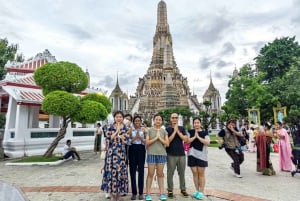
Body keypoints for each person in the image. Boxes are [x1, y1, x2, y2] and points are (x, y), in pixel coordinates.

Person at [101, 111, 129, 201]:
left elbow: (127, 141)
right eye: (117, 117)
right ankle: (112, 194)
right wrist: (117, 131)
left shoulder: (125, 127)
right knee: (111, 173)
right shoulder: (110, 127)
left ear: (123, 118)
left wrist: (122, 137)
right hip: (111, 154)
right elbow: (108, 139)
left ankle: (118, 193)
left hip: (121, 154)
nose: (119, 118)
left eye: (120, 117)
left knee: (120, 173)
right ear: (114, 118)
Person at [145, 114, 169, 201]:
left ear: (161, 121)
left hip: (162, 154)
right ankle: (148, 193)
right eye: (156, 119)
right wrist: (156, 138)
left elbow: (167, 143)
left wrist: (160, 138)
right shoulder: (149, 130)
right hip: (151, 154)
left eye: (159, 119)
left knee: (160, 174)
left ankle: (162, 193)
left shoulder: (164, 131)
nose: (158, 121)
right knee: (150, 174)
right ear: (154, 120)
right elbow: (147, 143)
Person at [165, 113, 189, 198]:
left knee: (182, 173)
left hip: (181, 154)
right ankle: (170, 190)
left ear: (178, 119)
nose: (174, 119)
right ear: (170, 119)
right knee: (170, 173)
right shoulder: (167, 129)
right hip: (171, 154)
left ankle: (183, 189)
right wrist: (174, 131)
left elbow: (186, 139)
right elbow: (168, 141)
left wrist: (178, 131)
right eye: (173, 118)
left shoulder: (182, 128)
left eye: (176, 118)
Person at [187, 117, 210, 200]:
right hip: (191, 155)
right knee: (194, 173)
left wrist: (198, 137)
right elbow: (187, 141)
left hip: (202, 156)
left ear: (200, 123)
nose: (196, 124)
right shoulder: (190, 132)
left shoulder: (204, 133)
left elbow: (207, 142)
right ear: (193, 124)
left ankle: (201, 192)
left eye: (198, 122)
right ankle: (196, 190)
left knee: (201, 173)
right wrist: (194, 137)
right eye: (195, 123)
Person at [128, 115, 146, 200]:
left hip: (141, 150)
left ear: (141, 121)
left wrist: (141, 138)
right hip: (132, 149)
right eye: (136, 121)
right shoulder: (130, 130)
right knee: (132, 171)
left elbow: (146, 142)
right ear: (133, 122)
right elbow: (128, 142)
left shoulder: (144, 130)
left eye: (139, 121)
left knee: (141, 171)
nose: (137, 122)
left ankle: (141, 193)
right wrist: (135, 137)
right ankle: (134, 192)